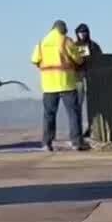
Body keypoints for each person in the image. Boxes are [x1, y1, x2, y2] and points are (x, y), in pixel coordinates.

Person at [31, 20, 88, 151]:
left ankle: (46, 143)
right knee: (73, 114)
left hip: (48, 85)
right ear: (62, 29)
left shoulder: (42, 42)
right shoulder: (66, 41)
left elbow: (34, 60)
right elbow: (79, 59)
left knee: (49, 115)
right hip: (66, 83)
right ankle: (76, 142)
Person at [74, 23, 102, 138]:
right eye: (80, 32)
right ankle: (78, 131)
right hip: (79, 78)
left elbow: (100, 59)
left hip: (92, 77)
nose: (82, 34)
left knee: (94, 105)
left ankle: (92, 128)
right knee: (78, 105)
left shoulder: (94, 46)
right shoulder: (74, 46)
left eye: (84, 32)